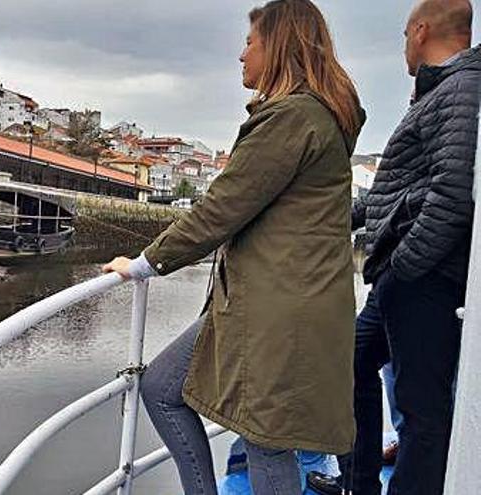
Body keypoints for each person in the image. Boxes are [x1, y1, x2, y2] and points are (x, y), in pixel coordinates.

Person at [103, 0, 364, 493]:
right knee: (163, 387)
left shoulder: (293, 118)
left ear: (278, 46)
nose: (241, 56)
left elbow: (221, 209)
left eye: (250, 43)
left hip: (278, 307)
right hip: (268, 302)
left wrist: (143, 263)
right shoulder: (313, 116)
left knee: (266, 438)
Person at [326, 1, 480, 493]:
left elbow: (451, 195)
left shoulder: (459, 89)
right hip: (406, 277)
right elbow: (401, 189)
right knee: (350, 362)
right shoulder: (441, 92)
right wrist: (332, 218)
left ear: (420, 30)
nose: (403, 48)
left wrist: (403, 266)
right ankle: (359, 481)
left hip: (423, 280)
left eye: (403, 36)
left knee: (422, 412)